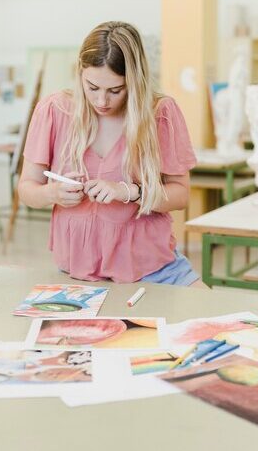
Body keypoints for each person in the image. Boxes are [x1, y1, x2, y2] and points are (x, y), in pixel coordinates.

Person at [18, 21, 203, 287]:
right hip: (78, 272)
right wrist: (52, 193)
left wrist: (128, 192)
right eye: (92, 87)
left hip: (153, 269)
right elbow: (26, 188)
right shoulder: (54, 110)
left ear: (135, 81)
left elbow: (180, 195)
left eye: (116, 90)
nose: (102, 101)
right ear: (80, 73)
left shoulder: (160, 113)